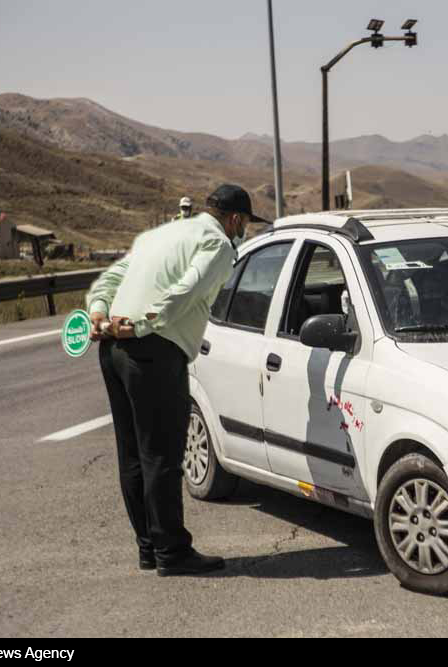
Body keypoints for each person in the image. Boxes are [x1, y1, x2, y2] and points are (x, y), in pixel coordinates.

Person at [86, 184, 267, 576]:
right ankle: (172, 551)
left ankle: (149, 547)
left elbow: (109, 280)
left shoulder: (160, 234)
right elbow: (185, 291)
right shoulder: (219, 245)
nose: (244, 232)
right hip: (152, 350)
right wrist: (140, 325)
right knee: (163, 457)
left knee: (132, 454)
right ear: (235, 219)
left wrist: (100, 314)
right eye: (245, 224)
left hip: (112, 352)